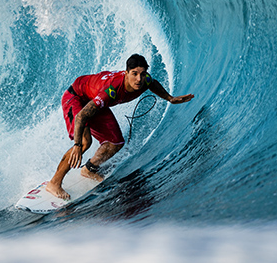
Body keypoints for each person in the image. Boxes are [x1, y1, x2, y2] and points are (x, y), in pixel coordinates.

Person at [46, 54, 194, 200]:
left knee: (115, 143)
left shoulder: (145, 80)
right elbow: (81, 116)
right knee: (85, 142)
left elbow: (152, 83)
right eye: (134, 74)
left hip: (93, 99)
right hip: (76, 97)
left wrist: (170, 98)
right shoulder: (111, 91)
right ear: (126, 73)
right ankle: (54, 183)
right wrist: (77, 145)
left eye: (142, 74)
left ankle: (89, 169)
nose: (139, 79)